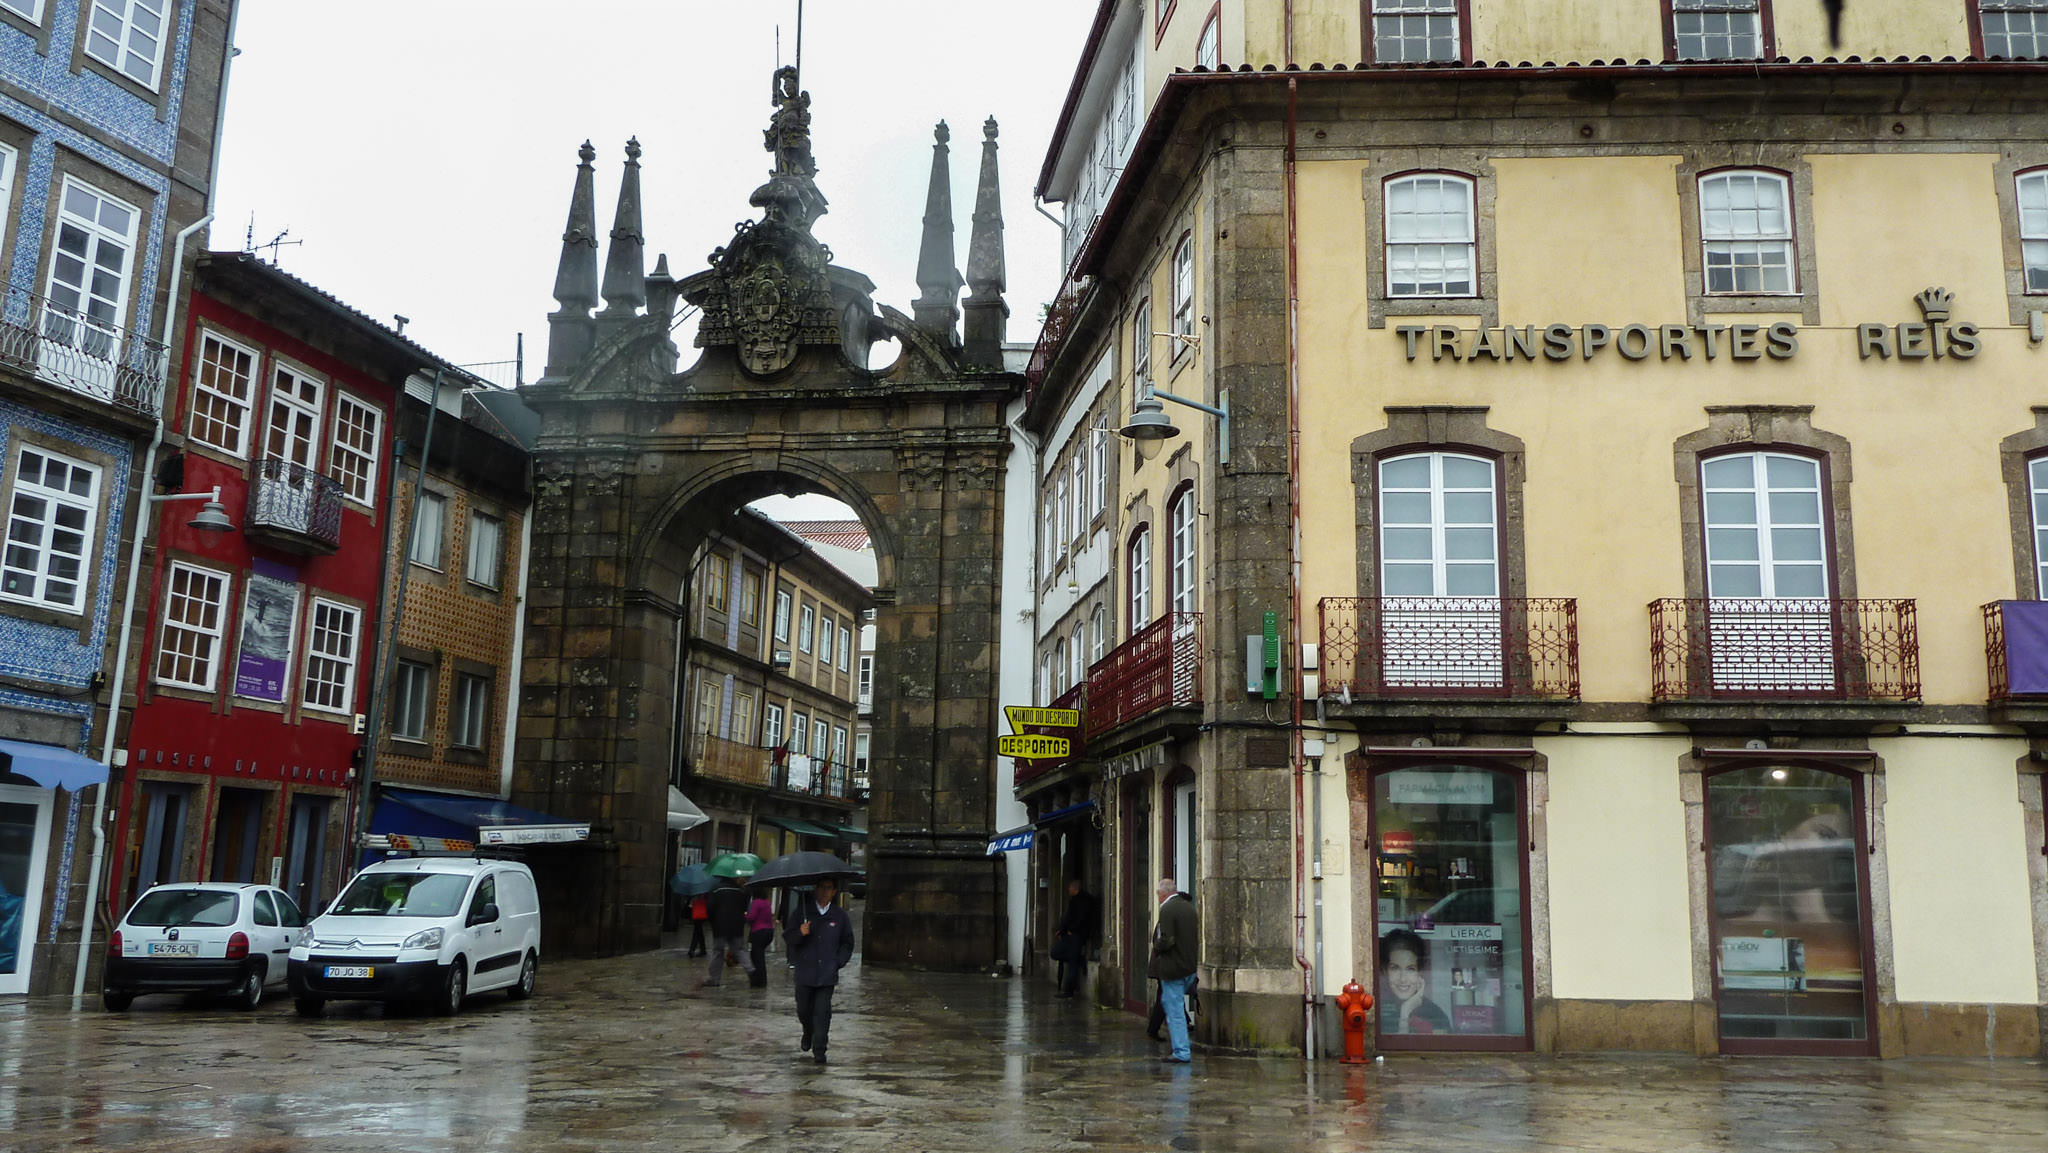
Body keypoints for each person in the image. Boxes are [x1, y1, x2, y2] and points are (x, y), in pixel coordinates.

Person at [786, 876, 855, 1065]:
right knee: (804, 1010)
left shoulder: (839, 916)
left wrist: (837, 962)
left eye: (829, 888)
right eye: (821, 887)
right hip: (805, 972)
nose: (825, 891)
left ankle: (819, 1049)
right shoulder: (802, 912)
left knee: (822, 1012)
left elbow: (847, 942)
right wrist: (800, 933)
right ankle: (808, 1032)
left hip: (826, 974)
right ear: (816, 889)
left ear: (834, 892)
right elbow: (789, 938)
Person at [1149, 877, 1198, 1064]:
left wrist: (1157, 948)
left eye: (1158, 896)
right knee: (1174, 1006)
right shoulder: (1189, 907)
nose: (1159, 899)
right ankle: (1182, 1048)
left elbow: (1167, 939)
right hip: (1189, 966)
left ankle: (1181, 1051)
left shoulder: (1167, 909)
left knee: (1175, 1011)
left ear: (1163, 894)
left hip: (1173, 967)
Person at [1380, 927, 1450, 1034]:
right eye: (1395, 968)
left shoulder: (1435, 1015)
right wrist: (1405, 1012)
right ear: (1385, 971)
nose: (1403, 979)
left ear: (1420, 973)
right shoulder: (1379, 1013)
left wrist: (1406, 1010)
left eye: (1410, 969)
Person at [703, 877, 751, 987]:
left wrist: (712, 920)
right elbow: (744, 906)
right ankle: (751, 971)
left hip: (720, 925)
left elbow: (710, 907)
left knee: (718, 952)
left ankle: (714, 979)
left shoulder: (716, 889)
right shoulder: (740, 890)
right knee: (740, 950)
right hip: (736, 925)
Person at [1053, 878, 1095, 998]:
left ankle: (1069, 991)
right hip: (1069, 934)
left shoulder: (1083, 901)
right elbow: (1068, 917)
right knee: (1056, 953)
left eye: (1070, 888)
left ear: (1074, 888)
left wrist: (1072, 930)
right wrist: (1062, 930)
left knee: (1072, 964)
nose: (1068, 890)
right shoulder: (1075, 900)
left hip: (1076, 935)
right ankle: (1079, 960)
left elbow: (1081, 919)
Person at [745, 890, 775, 987]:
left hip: (758, 932)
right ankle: (760, 980)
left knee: (758, 958)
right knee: (758, 956)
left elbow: (751, 917)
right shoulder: (767, 903)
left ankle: (760, 981)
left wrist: (744, 915)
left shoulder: (756, 903)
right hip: (769, 932)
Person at [687, 893, 709, 957]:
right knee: (699, 930)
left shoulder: (699, 892)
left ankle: (692, 949)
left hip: (699, 912)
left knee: (697, 930)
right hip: (699, 912)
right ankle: (703, 949)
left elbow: (691, 904)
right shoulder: (704, 891)